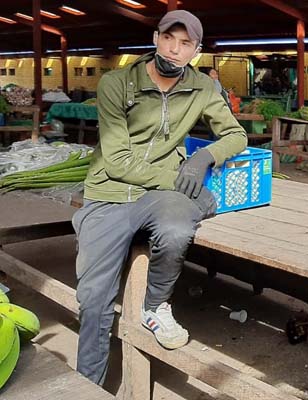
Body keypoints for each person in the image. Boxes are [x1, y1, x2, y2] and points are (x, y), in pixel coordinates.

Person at [72, 10, 247, 384]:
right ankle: (88, 385)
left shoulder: (202, 87)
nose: (175, 49)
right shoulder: (116, 83)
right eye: (170, 38)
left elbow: (236, 135)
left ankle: (155, 307)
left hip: (157, 194)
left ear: (196, 51)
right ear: (155, 38)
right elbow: (118, 162)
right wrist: (179, 178)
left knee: (177, 227)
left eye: (186, 44)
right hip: (110, 192)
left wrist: (202, 158)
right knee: (93, 300)